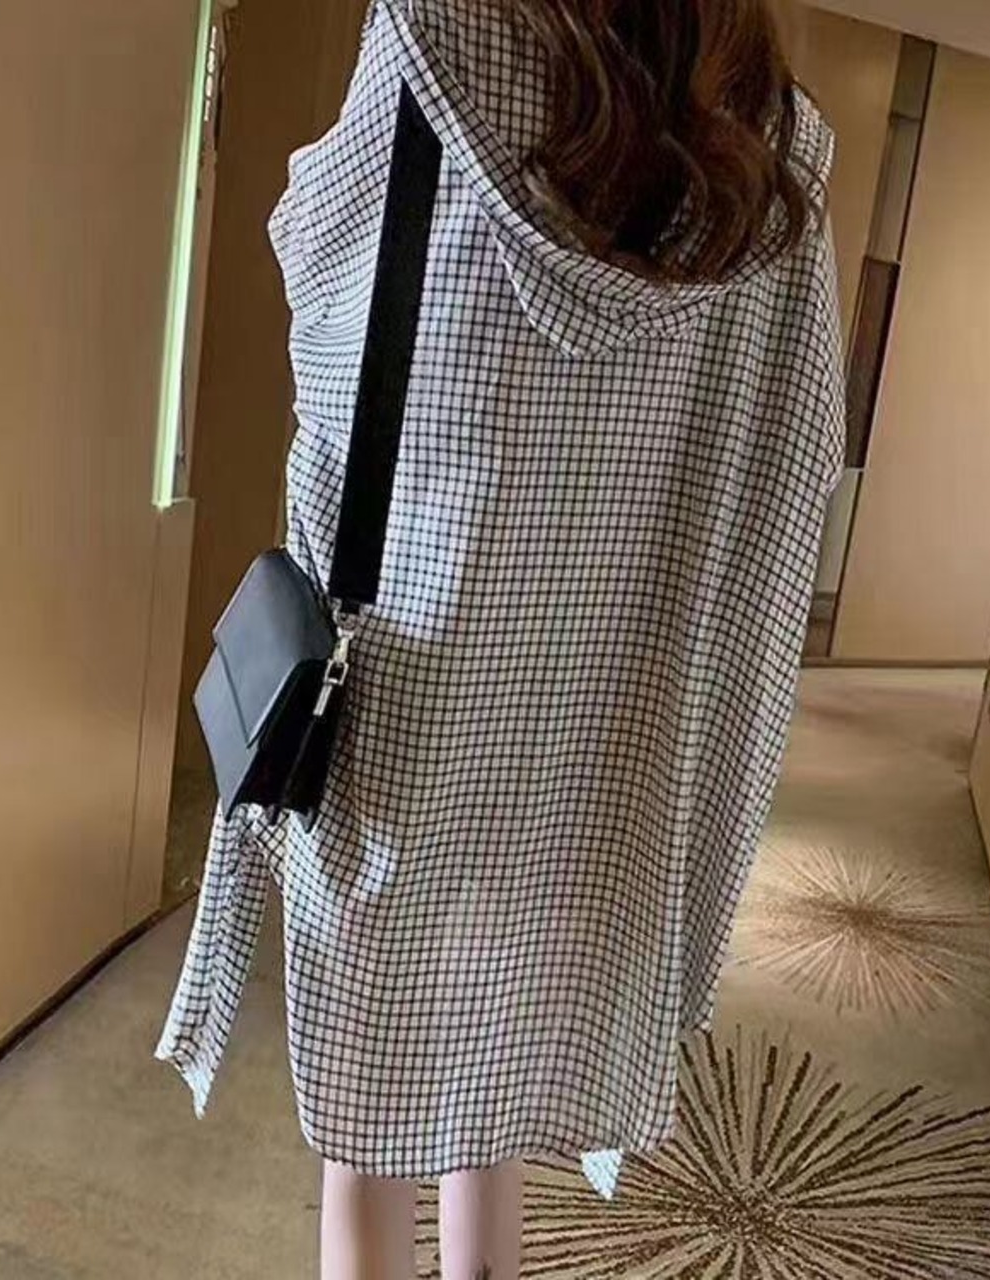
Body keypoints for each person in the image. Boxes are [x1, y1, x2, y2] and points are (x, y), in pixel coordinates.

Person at [157, 0, 844, 1276]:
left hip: (410, 679)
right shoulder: (770, 139)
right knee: (504, 1053)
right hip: (614, 709)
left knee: (370, 1113)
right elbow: (794, 449)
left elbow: (321, 272)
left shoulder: (433, 36)